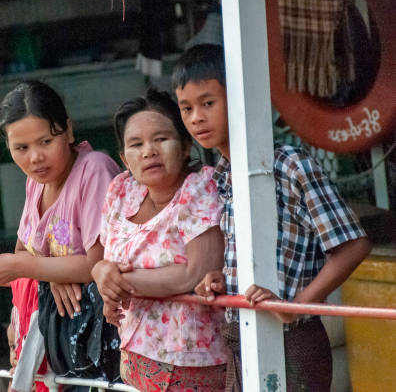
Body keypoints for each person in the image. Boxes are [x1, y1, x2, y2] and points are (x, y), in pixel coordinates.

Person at [172, 44, 371, 391]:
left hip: (293, 337)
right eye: (186, 108)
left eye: (208, 103)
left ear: (240, 97)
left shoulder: (289, 165)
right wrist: (219, 279)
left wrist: (297, 305)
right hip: (239, 334)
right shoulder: (218, 178)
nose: (196, 118)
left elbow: (353, 246)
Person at [0, 80, 121, 390]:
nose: (35, 158)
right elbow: (24, 247)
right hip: (51, 335)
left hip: (93, 340)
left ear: (68, 130)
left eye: (45, 141)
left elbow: (95, 264)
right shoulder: (36, 183)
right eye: (21, 148)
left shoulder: (94, 170)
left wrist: (30, 268)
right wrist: (50, 273)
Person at [91, 89, 228, 391]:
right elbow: (104, 261)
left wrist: (116, 282)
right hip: (134, 357)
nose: (148, 151)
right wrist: (99, 273)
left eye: (161, 139)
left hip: (191, 362)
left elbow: (195, 274)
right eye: (136, 144)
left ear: (186, 147)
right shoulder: (121, 191)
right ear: (124, 158)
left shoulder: (199, 188)